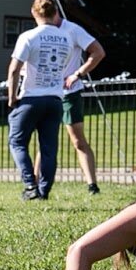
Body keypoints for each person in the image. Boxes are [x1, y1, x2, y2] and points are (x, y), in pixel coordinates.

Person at [7, 0, 72, 201]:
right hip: (54, 99)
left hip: (31, 98)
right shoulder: (67, 38)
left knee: (17, 142)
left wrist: (12, 97)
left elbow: (14, 69)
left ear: (34, 13)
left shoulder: (28, 37)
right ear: (55, 14)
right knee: (48, 148)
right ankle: (44, 191)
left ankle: (29, 184)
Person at [35, 10, 106, 195]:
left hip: (68, 94)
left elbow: (98, 52)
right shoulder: (41, 31)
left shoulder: (73, 30)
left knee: (78, 141)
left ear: (55, 13)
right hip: (48, 92)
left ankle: (92, 186)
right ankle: (34, 185)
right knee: (45, 140)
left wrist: (78, 74)